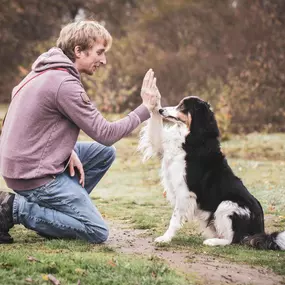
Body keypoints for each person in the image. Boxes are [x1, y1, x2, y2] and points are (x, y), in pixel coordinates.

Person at [0, 20, 160, 244]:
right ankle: (13, 208)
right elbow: (105, 133)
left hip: (22, 165)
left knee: (104, 153)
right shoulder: (64, 84)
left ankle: (56, 217)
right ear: (78, 51)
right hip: (33, 176)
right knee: (96, 231)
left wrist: (66, 151)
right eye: (100, 52)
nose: (103, 60)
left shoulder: (42, 72)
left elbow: (33, 123)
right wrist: (145, 108)